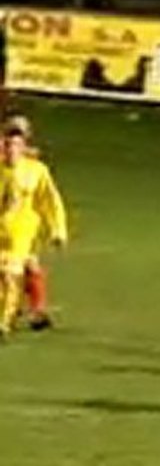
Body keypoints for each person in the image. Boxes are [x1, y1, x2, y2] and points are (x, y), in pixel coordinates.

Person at [0, 125, 68, 340]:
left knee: (11, 274)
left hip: (24, 230)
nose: (11, 149)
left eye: (16, 145)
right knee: (27, 266)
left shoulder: (36, 171)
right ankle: (34, 311)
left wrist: (58, 229)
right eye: (7, 145)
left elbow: (51, 200)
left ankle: (5, 322)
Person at [5, 114, 54, 329]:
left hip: (24, 224)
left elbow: (47, 198)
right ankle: (31, 310)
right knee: (25, 265)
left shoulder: (33, 167)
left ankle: (33, 310)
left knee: (25, 264)